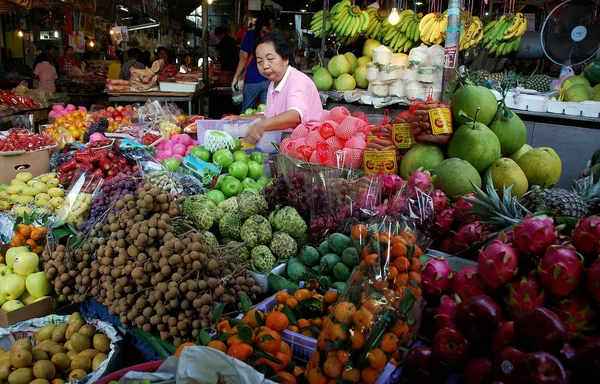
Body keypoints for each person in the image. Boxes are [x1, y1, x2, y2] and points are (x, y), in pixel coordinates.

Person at [224, 33, 323, 144]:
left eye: (270, 59)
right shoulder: (274, 83)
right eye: (259, 61)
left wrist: (263, 126)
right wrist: (240, 119)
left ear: (285, 59)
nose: (265, 66)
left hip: (308, 146)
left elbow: (295, 116)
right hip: (287, 143)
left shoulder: (296, 82)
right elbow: (268, 117)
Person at [232, 11, 275, 112]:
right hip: (267, 80)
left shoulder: (249, 35)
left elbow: (243, 58)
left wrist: (235, 77)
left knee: (246, 114)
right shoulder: (272, 38)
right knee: (265, 114)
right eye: (273, 21)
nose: (274, 24)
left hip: (251, 82)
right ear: (269, 22)